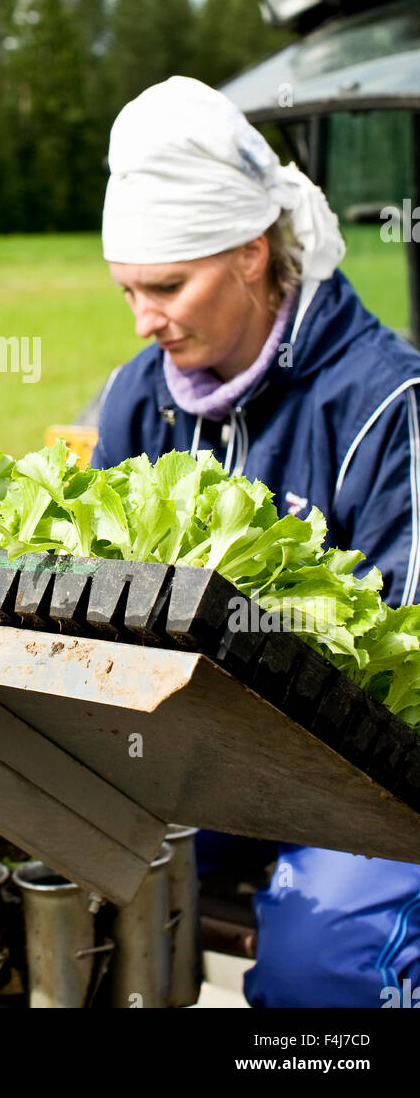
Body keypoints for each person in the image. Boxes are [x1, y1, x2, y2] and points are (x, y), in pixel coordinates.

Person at [92, 74, 420, 1008]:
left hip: (373, 775)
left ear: (248, 254)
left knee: (319, 971)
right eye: (127, 291)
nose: (145, 319)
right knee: (64, 864)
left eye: (165, 287)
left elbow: (407, 651)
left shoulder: (388, 405)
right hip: (207, 760)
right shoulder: (136, 395)